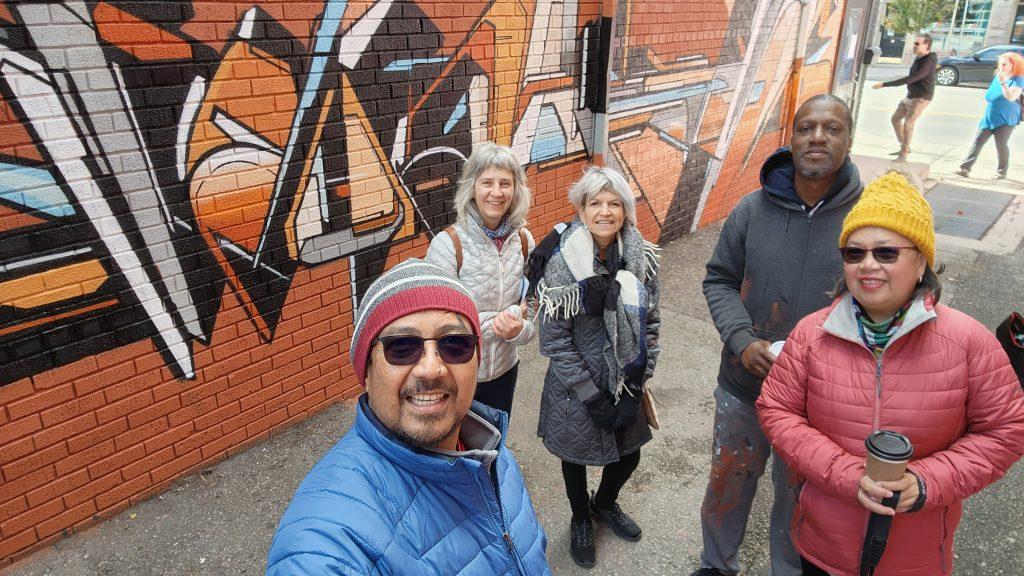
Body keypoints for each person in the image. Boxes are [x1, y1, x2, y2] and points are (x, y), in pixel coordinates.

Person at [757, 171, 1024, 575]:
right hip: (822, 547)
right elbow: (777, 411)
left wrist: (926, 483)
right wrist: (848, 475)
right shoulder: (812, 333)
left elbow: (1005, 432)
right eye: (854, 252)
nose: (868, 264)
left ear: (921, 262)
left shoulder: (969, 342)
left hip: (915, 558)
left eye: (886, 253)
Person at [265, 259, 551, 575]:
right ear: (367, 372)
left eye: (455, 344)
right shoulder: (329, 536)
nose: (431, 368)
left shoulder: (491, 454)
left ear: (476, 362)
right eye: (401, 347)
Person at [692, 94, 863, 576]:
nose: (817, 137)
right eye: (806, 127)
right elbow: (719, 279)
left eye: (832, 129)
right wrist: (742, 339)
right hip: (743, 387)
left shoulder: (866, 219)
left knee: (800, 495)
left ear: (849, 139)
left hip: (821, 398)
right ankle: (716, 564)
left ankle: (787, 568)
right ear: (791, 138)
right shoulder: (751, 209)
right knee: (729, 482)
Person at [532, 166, 660, 569]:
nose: (605, 211)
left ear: (625, 210)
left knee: (629, 455)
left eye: (614, 203)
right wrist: (590, 395)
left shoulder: (640, 256)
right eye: (595, 203)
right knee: (575, 458)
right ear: (581, 210)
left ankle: (603, 504)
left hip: (626, 380)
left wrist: (638, 383)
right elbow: (554, 340)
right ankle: (579, 517)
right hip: (576, 389)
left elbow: (651, 323)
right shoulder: (561, 265)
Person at [426, 142, 535, 417]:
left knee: (497, 444)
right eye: (487, 182)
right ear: (472, 187)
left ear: (516, 189)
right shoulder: (448, 245)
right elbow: (438, 323)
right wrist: (510, 315)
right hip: (458, 373)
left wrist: (520, 330)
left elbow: (535, 308)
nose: (496, 193)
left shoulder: (523, 241)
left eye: (505, 183)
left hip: (505, 370)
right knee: (456, 451)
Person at [955, 51, 1024, 180]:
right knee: (978, 141)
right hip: (990, 116)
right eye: (999, 64)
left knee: (1001, 145)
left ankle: (1001, 172)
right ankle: (964, 168)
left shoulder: (1018, 79)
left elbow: (1011, 97)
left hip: (1006, 118)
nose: (1001, 67)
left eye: (1004, 64)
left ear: (1013, 65)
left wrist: (1003, 83)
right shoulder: (999, 74)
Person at [872, 34, 937, 162]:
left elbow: (914, 78)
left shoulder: (929, 61)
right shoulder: (919, 58)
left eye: (917, 44)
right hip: (911, 95)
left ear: (926, 46)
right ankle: (905, 146)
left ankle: (903, 155)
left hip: (921, 97)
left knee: (908, 123)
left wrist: (885, 84)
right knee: (895, 118)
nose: (914, 46)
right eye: (914, 43)